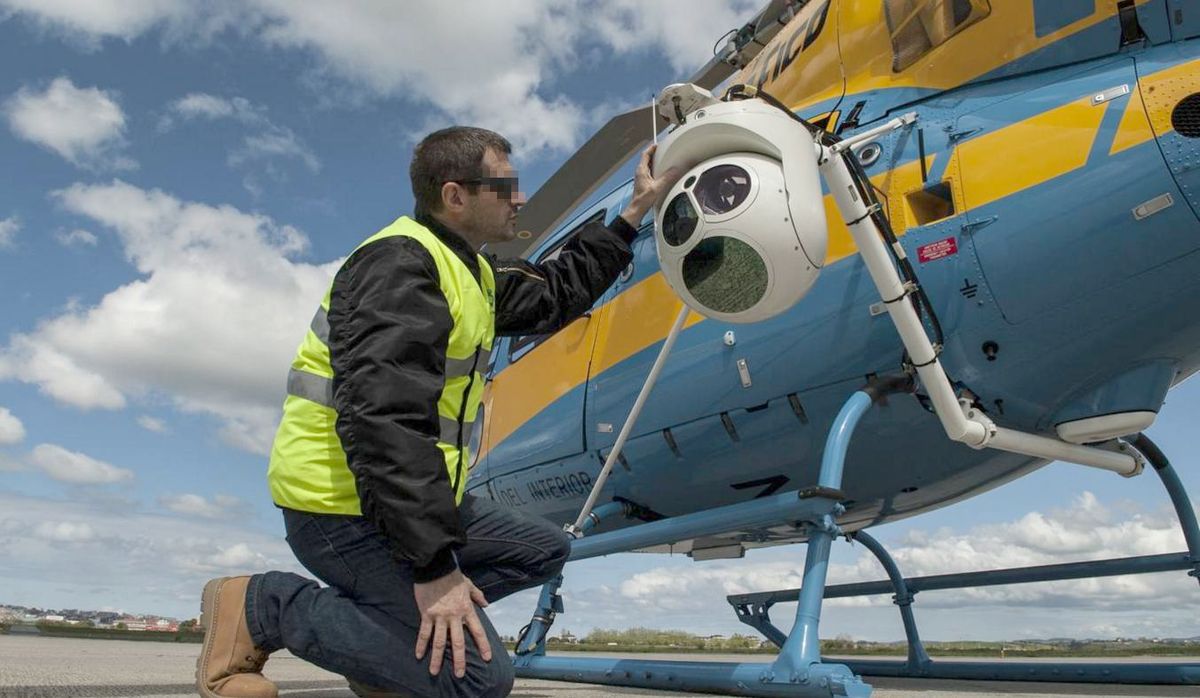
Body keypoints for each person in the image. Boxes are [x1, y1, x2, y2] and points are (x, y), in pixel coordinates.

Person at [194, 126, 682, 698]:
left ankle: (385, 650)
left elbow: (553, 293)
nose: (520, 199)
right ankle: (264, 606)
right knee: (480, 683)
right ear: (455, 195)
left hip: (402, 503)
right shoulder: (398, 267)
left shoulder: (469, 271)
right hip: (342, 510)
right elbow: (386, 424)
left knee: (543, 549)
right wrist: (434, 568)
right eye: (504, 187)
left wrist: (633, 213)